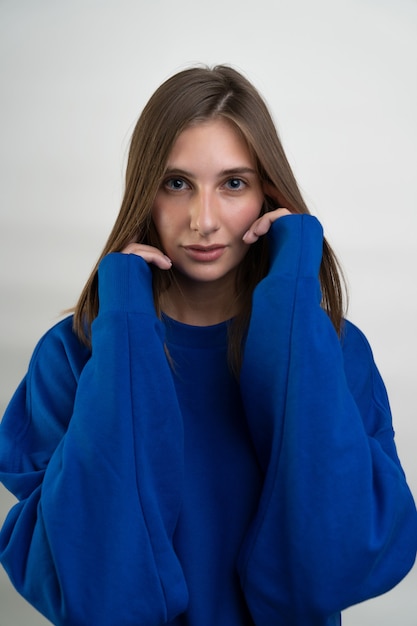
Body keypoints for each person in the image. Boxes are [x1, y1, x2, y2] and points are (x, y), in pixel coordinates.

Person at [0, 65, 416, 626]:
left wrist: (293, 292)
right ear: (145, 192)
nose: (203, 220)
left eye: (233, 184)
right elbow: (91, 589)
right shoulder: (71, 354)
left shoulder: (334, 348)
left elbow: (335, 563)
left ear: (268, 193)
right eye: (177, 184)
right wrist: (122, 320)